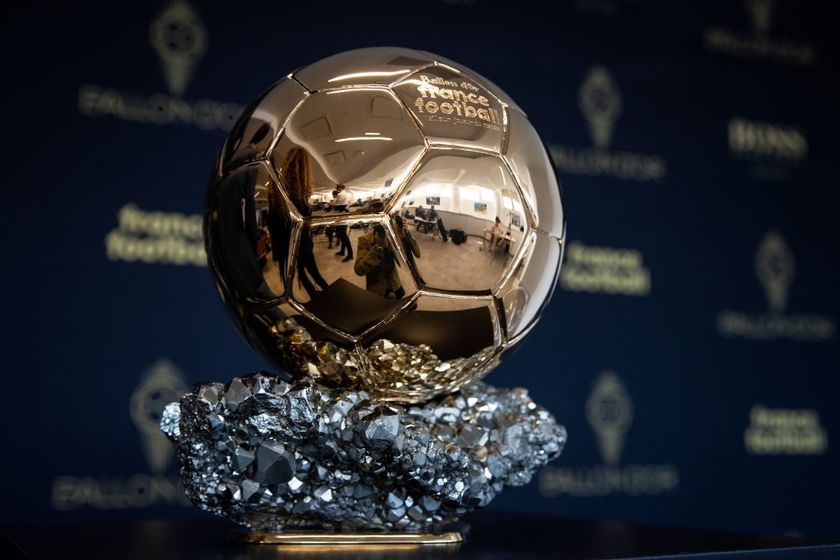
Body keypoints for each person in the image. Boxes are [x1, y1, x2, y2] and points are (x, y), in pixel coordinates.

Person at [268, 147, 329, 299]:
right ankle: (328, 301)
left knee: (300, 275)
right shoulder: (301, 198)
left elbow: (273, 226)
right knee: (313, 275)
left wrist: (278, 253)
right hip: (303, 245)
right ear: (305, 170)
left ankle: (319, 299)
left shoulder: (276, 193)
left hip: (287, 247)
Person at [354, 224, 411, 299]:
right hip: (378, 288)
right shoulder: (364, 240)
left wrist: (405, 235)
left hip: (395, 284)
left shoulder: (392, 234)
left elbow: (408, 256)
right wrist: (377, 248)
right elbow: (359, 270)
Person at [333, 185, 353, 262]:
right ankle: (342, 251)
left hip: (341, 220)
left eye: (338, 187)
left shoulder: (340, 194)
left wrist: (333, 207)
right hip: (342, 219)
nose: (337, 189)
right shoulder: (346, 194)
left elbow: (337, 207)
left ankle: (350, 254)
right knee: (342, 237)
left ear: (341, 188)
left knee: (344, 238)